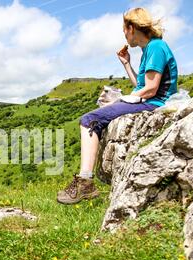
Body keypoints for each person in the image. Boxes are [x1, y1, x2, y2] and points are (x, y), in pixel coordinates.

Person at [57, 7, 178, 205]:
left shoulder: (156, 48)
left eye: (124, 29)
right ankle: (85, 181)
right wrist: (126, 64)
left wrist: (124, 100)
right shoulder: (150, 49)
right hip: (150, 100)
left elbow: (150, 89)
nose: (124, 34)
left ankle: (85, 182)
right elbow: (141, 86)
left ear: (131, 28)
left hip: (153, 104)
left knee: (89, 120)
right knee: (103, 108)